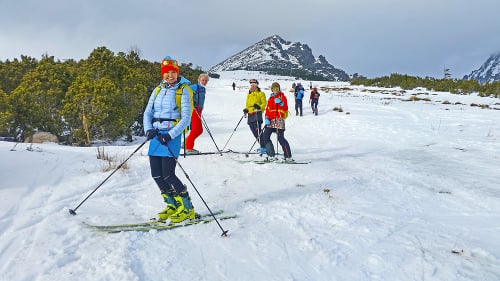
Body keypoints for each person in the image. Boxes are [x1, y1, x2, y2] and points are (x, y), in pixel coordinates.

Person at [143, 55, 196, 223]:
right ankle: (172, 204)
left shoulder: (184, 90)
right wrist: (148, 129)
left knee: (168, 175)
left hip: (170, 136)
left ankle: (187, 209)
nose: (170, 76)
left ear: (177, 73)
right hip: (156, 136)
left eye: (173, 72)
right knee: (156, 174)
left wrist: (170, 135)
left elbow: (186, 118)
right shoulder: (157, 89)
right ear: (162, 74)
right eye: (167, 73)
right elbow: (147, 112)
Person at [260, 82, 293, 161]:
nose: (275, 90)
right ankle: (271, 155)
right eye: (274, 88)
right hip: (271, 120)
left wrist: (281, 103)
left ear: (279, 89)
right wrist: (267, 118)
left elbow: (285, 107)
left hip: (279, 119)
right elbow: (268, 110)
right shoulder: (270, 98)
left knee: (280, 138)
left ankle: (288, 156)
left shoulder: (282, 96)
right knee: (265, 136)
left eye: (277, 88)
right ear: (272, 89)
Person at [185, 73, 209, 154]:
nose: (204, 81)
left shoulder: (203, 89)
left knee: (199, 130)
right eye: (203, 80)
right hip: (194, 111)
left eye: (206, 80)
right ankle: (189, 148)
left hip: (199, 111)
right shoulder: (195, 87)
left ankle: (186, 142)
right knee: (196, 129)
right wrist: (191, 104)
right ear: (199, 80)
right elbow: (185, 93)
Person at [243, 79, 266, 151]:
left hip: (257, 113)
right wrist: (246, 109)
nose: (252, 86)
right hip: (250, 114)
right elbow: (247, 104)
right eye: (251, 85)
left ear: (256, 86)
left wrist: (259, 107)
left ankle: (264, 147)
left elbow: (264, 103)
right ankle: (262, 146)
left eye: (253, 85)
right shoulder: (249, 94)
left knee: (258, 131)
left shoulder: (261, 93)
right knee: (253, 131)